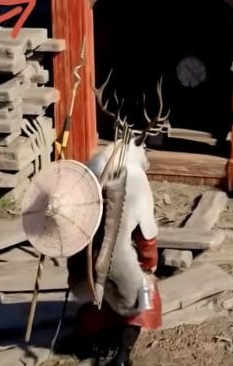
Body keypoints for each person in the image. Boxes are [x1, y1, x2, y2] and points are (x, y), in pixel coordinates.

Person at [65, 138, 161, 366]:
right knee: (143, 298)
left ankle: (93, 342)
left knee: (96, 300)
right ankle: (122, 355)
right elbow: (146, 238)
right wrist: (149, 264)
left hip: (86, 266)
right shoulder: (134, 185)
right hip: (120, 268)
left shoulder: (89, 182)